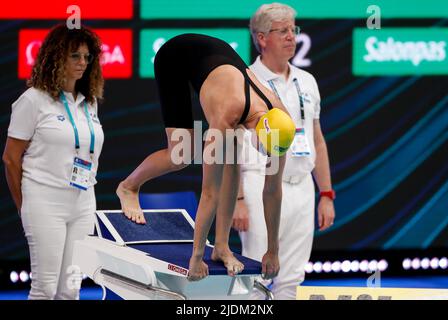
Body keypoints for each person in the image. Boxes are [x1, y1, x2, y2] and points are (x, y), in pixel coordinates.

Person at [116, 33, 296, 281]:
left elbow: (273, 191)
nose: (267, 156)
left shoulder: (281, 119)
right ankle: (128, 187)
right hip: (177, 57)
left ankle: (222, 247)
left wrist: (273, 251)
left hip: (218, 60)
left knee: (233, 157)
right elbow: (210, 191)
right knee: (181, 154)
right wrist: (197, 257)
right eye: (266, 149)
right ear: (259, 132)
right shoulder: (226, 115)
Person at [231, 3, 336, 299]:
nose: (292, 36)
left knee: (291, 279)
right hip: (258, 185)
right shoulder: (245, 81)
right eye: (283, 31)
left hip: (302, 188)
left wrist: (326, 194)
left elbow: (317, 140)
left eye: (294, 29)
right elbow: (234, 142)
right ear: (262, 38)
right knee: (257, 275)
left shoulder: (307, 81)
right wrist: (238, 198)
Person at [2, 24, 104, 299]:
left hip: (83, 202)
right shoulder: (33, 100)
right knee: (45, 288)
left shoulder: (89, 102)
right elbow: (11, 159)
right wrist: (26, 206)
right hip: (44, 201)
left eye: (86, 56)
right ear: (56, 57)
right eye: (75, 56)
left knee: (71, 288)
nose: (82, 62)